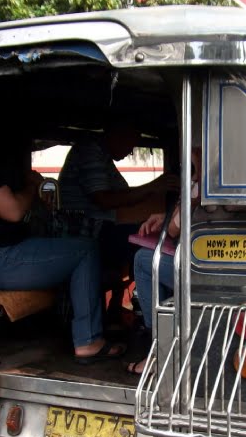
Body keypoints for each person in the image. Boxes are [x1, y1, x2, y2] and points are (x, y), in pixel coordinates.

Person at [0, 99, 124, 364]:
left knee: (64, 244)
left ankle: (67, 325)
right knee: (85, 249)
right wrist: (32, 186)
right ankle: (89, 340)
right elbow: (13, 211)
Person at [58, 121, 179, 323]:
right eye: (131, 143)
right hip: (86, 229)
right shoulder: (90, 150)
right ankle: (155, 322)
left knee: (147, 236)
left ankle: (139, 310)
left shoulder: (102, 156)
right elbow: (103, 199)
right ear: (118, 134)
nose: (131, 151)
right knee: (145, 248)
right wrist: (153, 187)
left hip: (100, 227)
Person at [126, 148, 201, 375]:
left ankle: (159, 350)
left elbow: (174, 228)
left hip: (201, 272)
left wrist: (193, 178)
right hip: (214, 265)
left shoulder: (198, 186)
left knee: (143, 261)